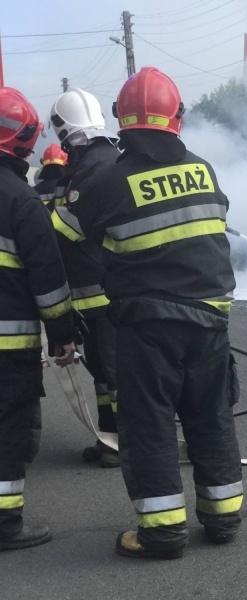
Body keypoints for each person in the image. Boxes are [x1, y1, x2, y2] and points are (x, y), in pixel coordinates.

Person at [70, 67, 243, 559]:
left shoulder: (110, 179)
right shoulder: (203, 169)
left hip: (147, 327)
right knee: (211, 419)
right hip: (211, 322)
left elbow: (65, 234)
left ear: (121, 122)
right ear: (178, 119)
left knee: (149, 426)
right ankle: (223, 519)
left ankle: (163, 533)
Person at [0, 86, 76, 551]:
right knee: (8, 431)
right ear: (24, 141)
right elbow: (48, 281)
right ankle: (5, 526)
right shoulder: (19, 201)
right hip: (7, 350)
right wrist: (63, 334)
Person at [49, 88, 121, 468]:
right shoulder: (94, 158)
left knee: (112, 371)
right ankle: (110, 437)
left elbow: (74, 226)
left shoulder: (95, 164)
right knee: (103, 370)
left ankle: (121, 441)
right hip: (93, 290)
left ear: (64, 128)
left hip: (102, 290)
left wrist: (37, 225)